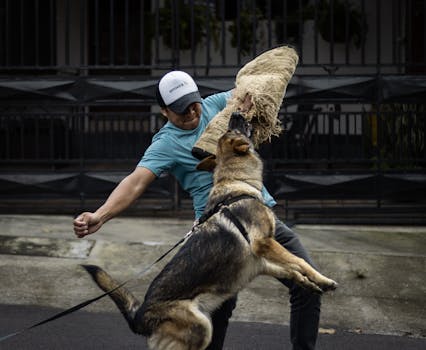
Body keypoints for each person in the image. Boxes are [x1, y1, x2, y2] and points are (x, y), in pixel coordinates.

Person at [73, 70, 321, 350]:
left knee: (308, 284)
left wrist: (259, 91)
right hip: (217, 231)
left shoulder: (215, 104)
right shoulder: (166, 143)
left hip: (258, 216)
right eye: (181, 109)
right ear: (165, 111)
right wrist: (100, 215)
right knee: (219, 307)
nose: (191, 111)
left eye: (193, 103)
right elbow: (134, 182)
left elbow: (249, 91)